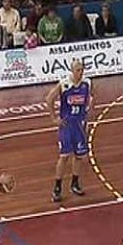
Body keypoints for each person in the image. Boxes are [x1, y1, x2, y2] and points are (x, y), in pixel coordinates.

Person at [46, 59, 94, 202]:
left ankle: (75, 183)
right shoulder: (64, 84)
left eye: (82, 69)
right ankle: (57, 187)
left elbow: (92, 98)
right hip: (67, 125)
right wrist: (54, 118)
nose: (80, 72)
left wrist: (89, 112)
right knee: (64, 156)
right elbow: (49, 99)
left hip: (80, 124)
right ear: (72, 71)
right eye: (78, 70)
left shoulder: (87, 83)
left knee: (79, 156)